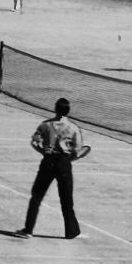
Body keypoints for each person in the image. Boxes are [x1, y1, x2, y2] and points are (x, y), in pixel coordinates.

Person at [14, 98, 83, 240]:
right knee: (66, 198)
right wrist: (70, 157)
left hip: (48, 161)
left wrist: (42, 151)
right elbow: (77, 150)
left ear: (55, 109)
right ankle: (71, 232)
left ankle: (28, 230)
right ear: (68, 111)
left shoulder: (45, 125)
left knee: (37, 196)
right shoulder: (73, 128)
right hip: (64, 163)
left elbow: (34, 142)